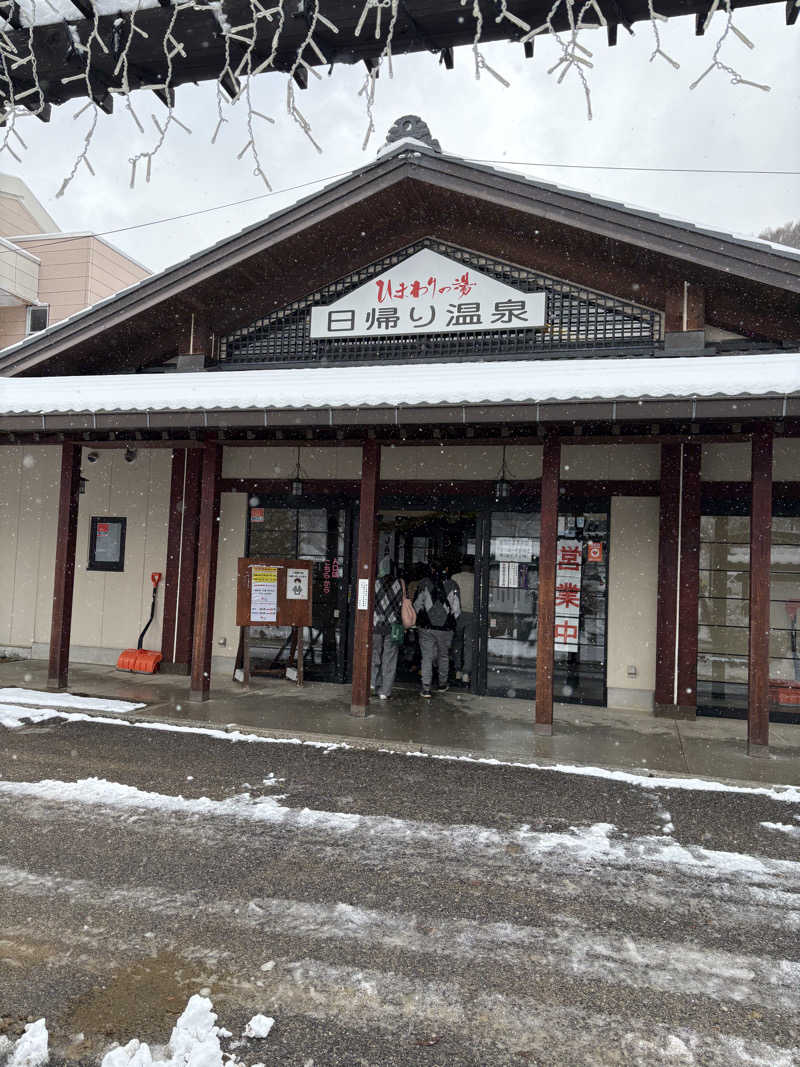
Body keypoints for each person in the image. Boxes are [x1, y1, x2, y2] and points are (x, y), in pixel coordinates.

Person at [413, 561, 461, 698]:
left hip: (426, 628)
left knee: (427, 657)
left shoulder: (424, 584)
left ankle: (426, 687)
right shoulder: (453, 585)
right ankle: (442, 684)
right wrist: (449, 621)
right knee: (444, 656)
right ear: (446, 569)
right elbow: (457, 610)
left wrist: (420, 619)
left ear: (431, 569)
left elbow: (417, 605)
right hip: (446, 629)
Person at [371, 556, 404, 701]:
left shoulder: (374, 583)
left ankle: (372, 684)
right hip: (393, 627)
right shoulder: (400, 584)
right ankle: (385, 691)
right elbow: (403, 604)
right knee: (389, 659)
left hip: (376, 625)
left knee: (374, 656)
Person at [451, 557, 475, 685]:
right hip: (471, 614)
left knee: (457, 642)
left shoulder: (455, 577)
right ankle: (466, 673)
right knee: (469, 644)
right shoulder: (476, 579)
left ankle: (457, 670)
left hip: (457, 613)